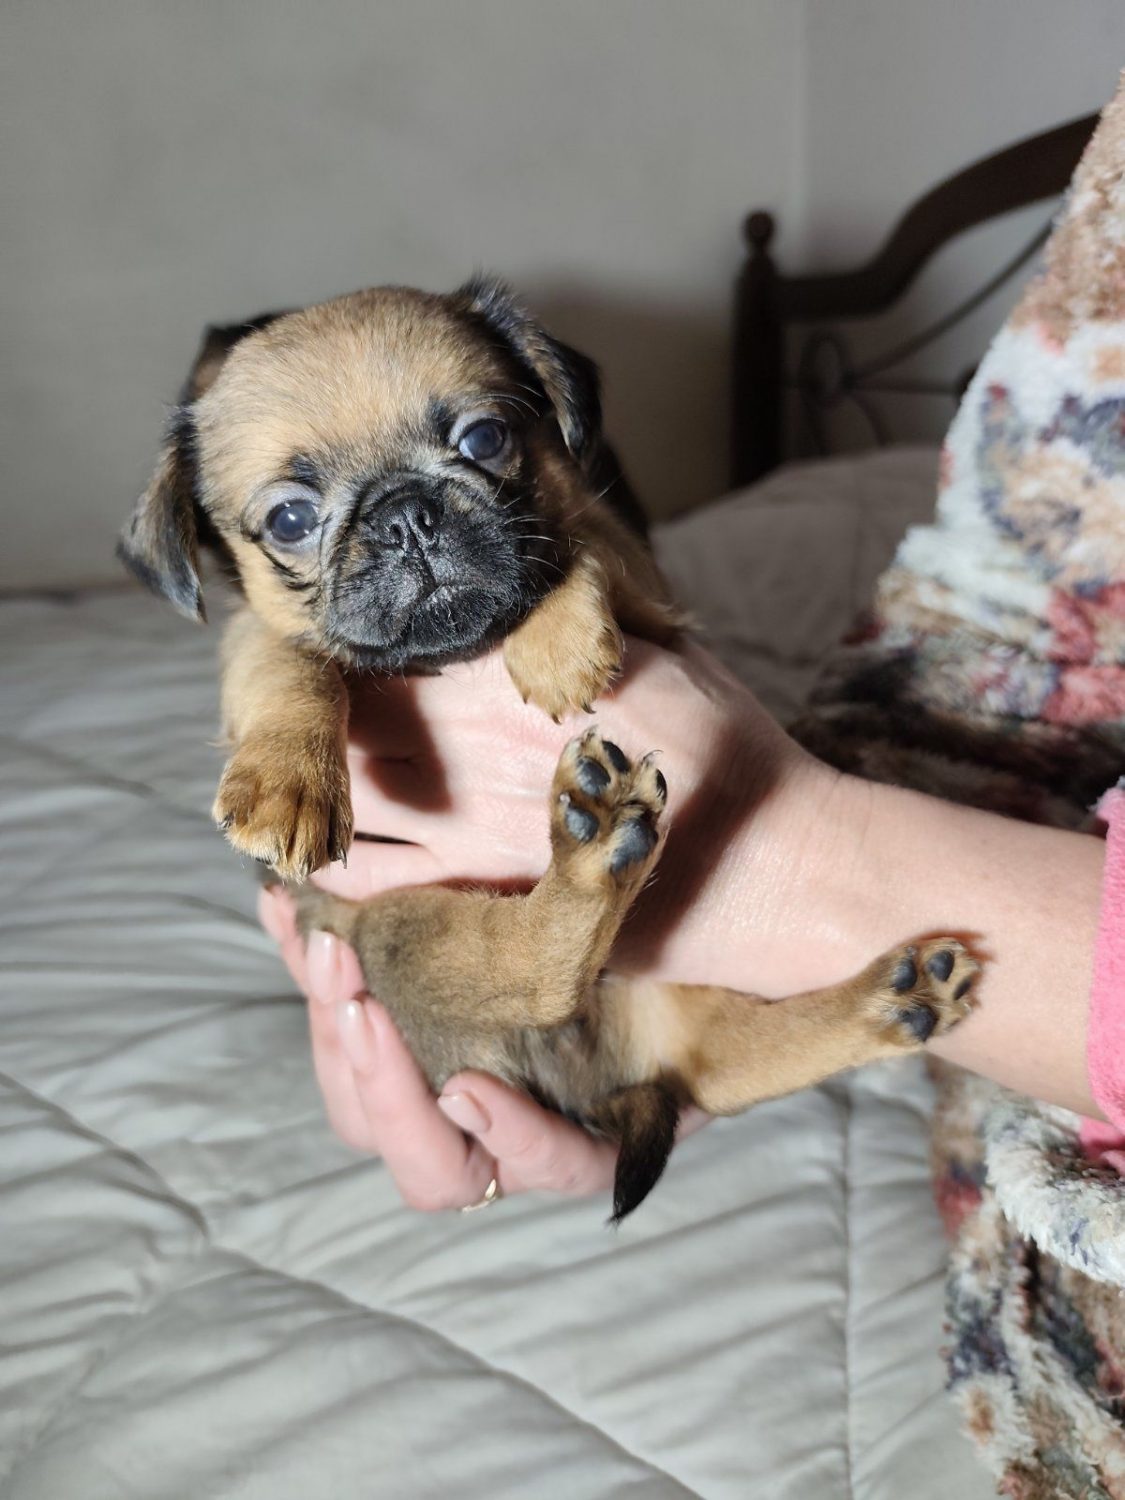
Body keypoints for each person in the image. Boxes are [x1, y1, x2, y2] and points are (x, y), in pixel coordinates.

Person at [259, 633, 1110, 1213]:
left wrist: (785, 843)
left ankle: (576, 916)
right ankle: (838, 1021)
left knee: (666, 1055)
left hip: (577, 1000)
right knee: (665, 1062)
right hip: (493, 1018)